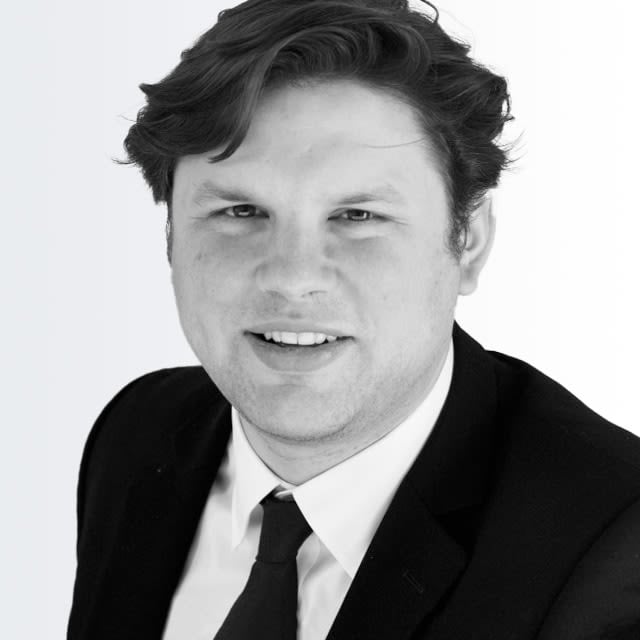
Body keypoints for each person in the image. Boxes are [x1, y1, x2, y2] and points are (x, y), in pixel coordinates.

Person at [67, 0, 640, 638]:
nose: (292, 277)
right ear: (171, 236)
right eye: (239, 212)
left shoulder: (616, 548)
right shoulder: (136, 434)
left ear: (469, 243)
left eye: (358, 216)